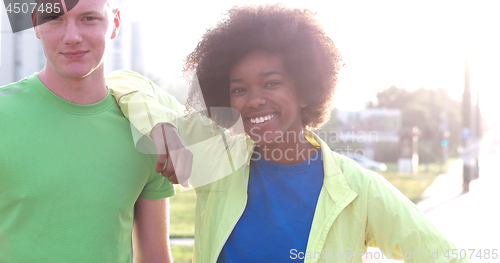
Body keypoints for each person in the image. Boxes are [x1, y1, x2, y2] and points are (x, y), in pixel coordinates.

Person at [107, 5, 468, 263]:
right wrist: (161, 126)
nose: (254, 100)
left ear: (306, 88)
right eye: (239, 89)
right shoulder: (219, 157)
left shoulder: (358, 188)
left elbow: (444, 256)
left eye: (272, 83)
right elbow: (123, 81)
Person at [0, 0, 180, 262]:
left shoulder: (145, 127)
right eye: (54, 18)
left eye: (89, 19)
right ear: (36, 24)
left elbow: (155, 256)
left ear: (114, 23)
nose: (72, 37)